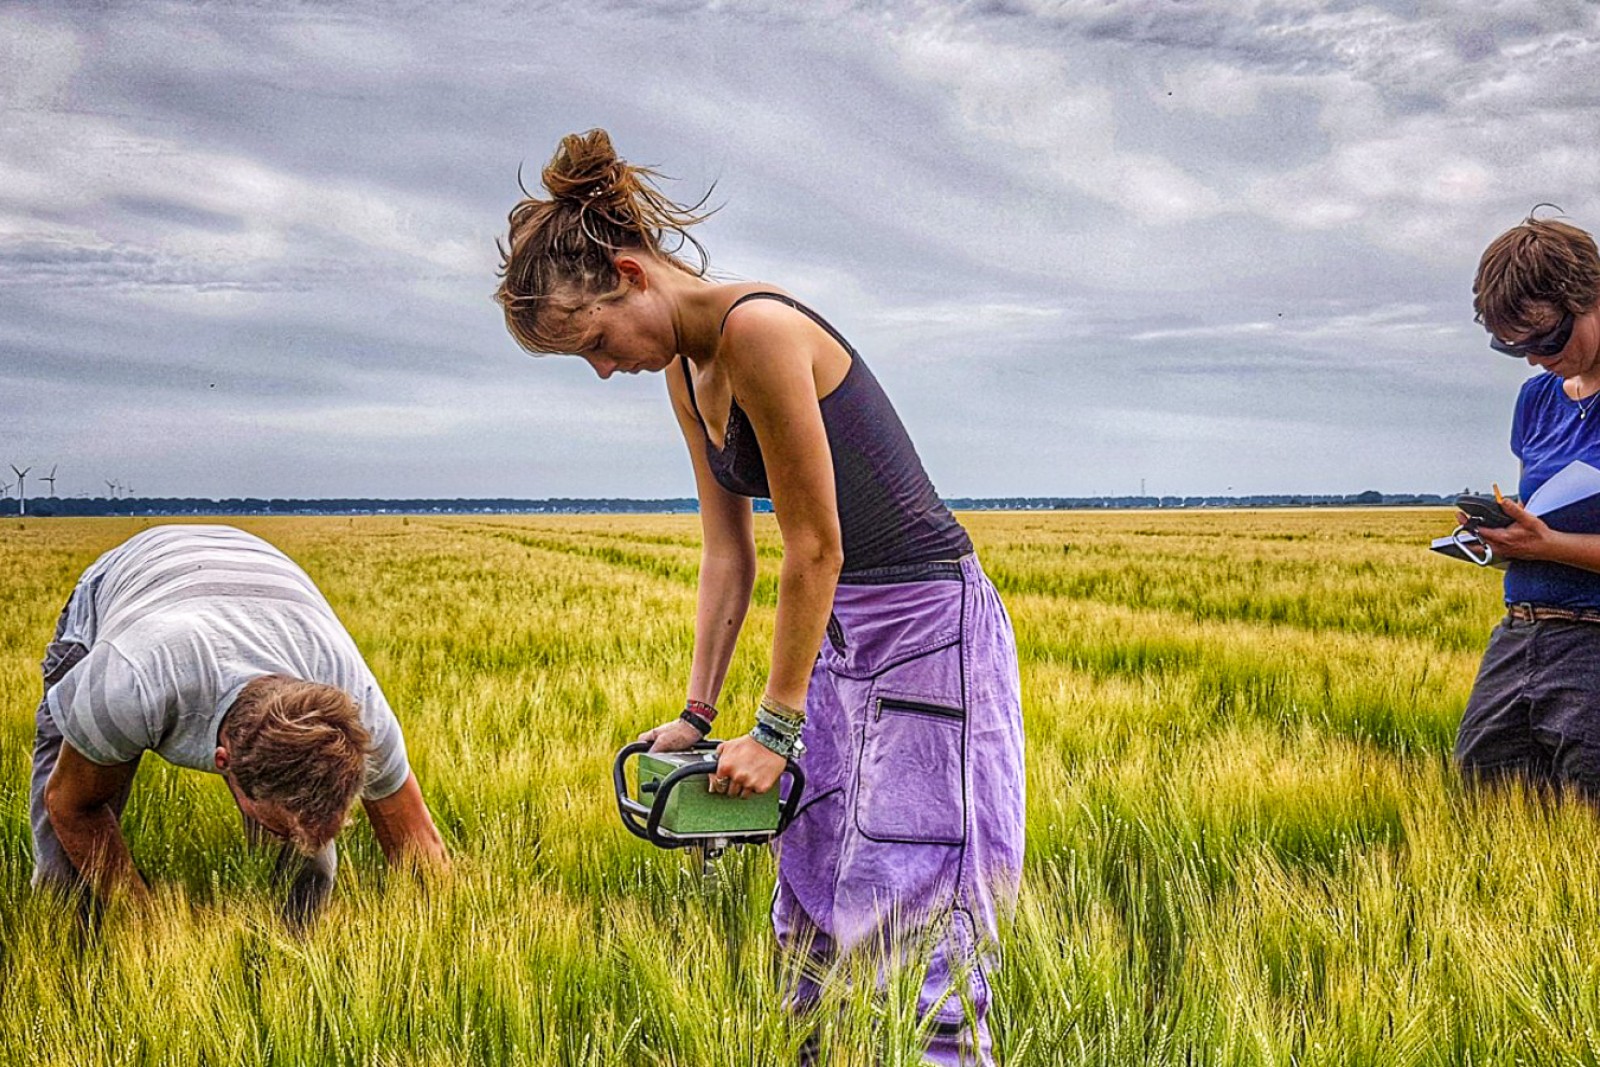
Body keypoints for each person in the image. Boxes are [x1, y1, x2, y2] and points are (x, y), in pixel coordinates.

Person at [495, 129, 1025, 1064]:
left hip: (927, 628)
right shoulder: (685, 376)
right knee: (818, 883)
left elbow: (815, 546)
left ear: (629, 274)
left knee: (924, 891)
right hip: (840, 640)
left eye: (598, 344)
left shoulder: (761, 331)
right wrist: (701, 714)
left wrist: (774, 732)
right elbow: (728, 555)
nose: (606, 369)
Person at [32, 523, 448, 924]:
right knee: (63, 878)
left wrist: (446, 938)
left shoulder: (360, 710)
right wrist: (150, 927)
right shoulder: (129, 683)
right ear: (222, 760)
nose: (297, 837)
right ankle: (66, 952)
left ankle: (289, 953)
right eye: (275, 823)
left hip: (262, 580)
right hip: (124, 588)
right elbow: (71, 804)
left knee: (310, 863)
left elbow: (419, 846)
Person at [1458, 209, 1600, 796]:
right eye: (1513, 348)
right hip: (1520, 633)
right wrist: (1502, 536)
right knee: (1484, 795)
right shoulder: (1537, 399)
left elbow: (1554, 535)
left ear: (1590, 297)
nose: (1536, 358)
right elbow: (1546, 508)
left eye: (1548, 339)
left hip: (1593, 641)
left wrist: (1548, 546)